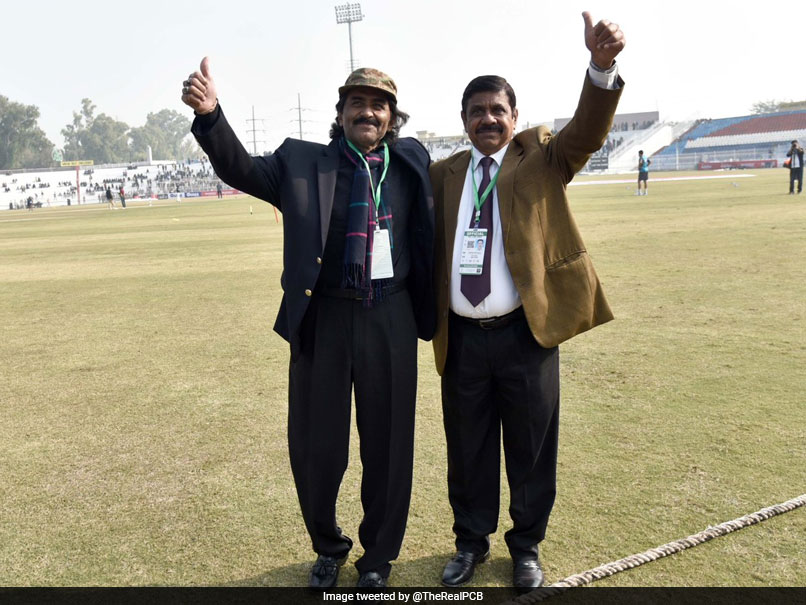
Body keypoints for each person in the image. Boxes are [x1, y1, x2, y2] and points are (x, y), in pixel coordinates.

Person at [181, 59, 434, 589]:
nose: (368, 111)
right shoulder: (301, 163)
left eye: (379, 104)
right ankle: (328, 544)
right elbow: (240, 169)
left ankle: (377, 561)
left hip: (390, 316)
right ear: (340, 113)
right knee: (316, 448)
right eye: (357, 103)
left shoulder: (409, 162)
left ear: (392, 117)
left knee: (389, 446)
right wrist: (211, 117)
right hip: (324, 318)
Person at [429, 12, 625, 591]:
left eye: (497, 110)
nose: (487, 118)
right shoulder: (445, 174)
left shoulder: (541, 159)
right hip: (461, 338)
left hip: (525, 335)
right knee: (468, 450)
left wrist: (601, 67)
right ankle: (469, 545)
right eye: (476, 111)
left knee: (532, 448)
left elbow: (587, 131)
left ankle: (527, 548)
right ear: (463, 121)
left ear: (514, 117)